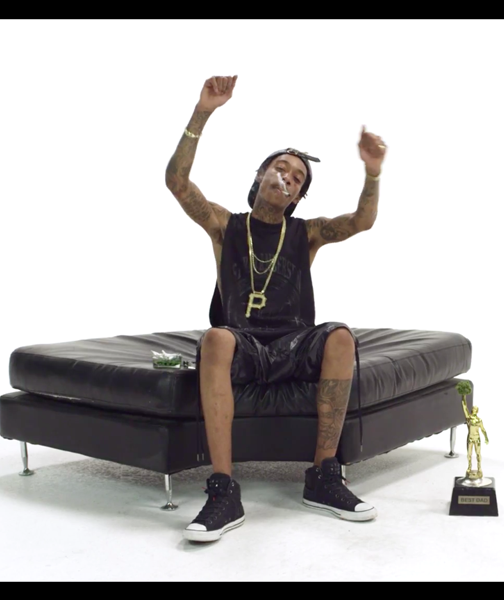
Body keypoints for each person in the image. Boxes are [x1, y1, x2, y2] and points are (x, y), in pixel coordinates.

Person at [164, 75, 386, 543]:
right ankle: (223, 491)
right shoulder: (225, 225)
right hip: (242, 344)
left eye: (297, 177)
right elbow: (177, 182)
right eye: (280, 167)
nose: (287, 176)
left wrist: (372, 172)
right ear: (260, 175)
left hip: (293, 344)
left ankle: (324, 477)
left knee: (340, 335)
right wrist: (203, 111)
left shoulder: (307, 233)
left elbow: (362, 221)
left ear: (298, 196)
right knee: (215, 337)